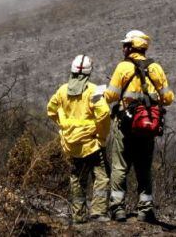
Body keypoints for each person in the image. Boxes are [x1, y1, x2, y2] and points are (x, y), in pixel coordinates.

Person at [103, 30, 174, 222]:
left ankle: (117, 209)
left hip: (124, 124)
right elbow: (168, 98)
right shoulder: (156, 68)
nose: (123, 48)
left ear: (131, 47)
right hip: (147, 125)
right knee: (144, 167)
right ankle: (145, 210)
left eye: (125, 45)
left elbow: (110, 96)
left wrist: (104, 93)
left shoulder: (123, 67)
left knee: (120, 166)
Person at [47, 55, 111, 224]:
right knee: (101, 177)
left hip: (71, 145)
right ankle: (98, 212)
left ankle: (79, 216)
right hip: (92, 144)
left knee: (77, 179)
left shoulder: (62, 91)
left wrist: (65, 126)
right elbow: (104, 113)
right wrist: (101, 135)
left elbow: (51, 110)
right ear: (89, 72)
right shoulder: (94, 90)